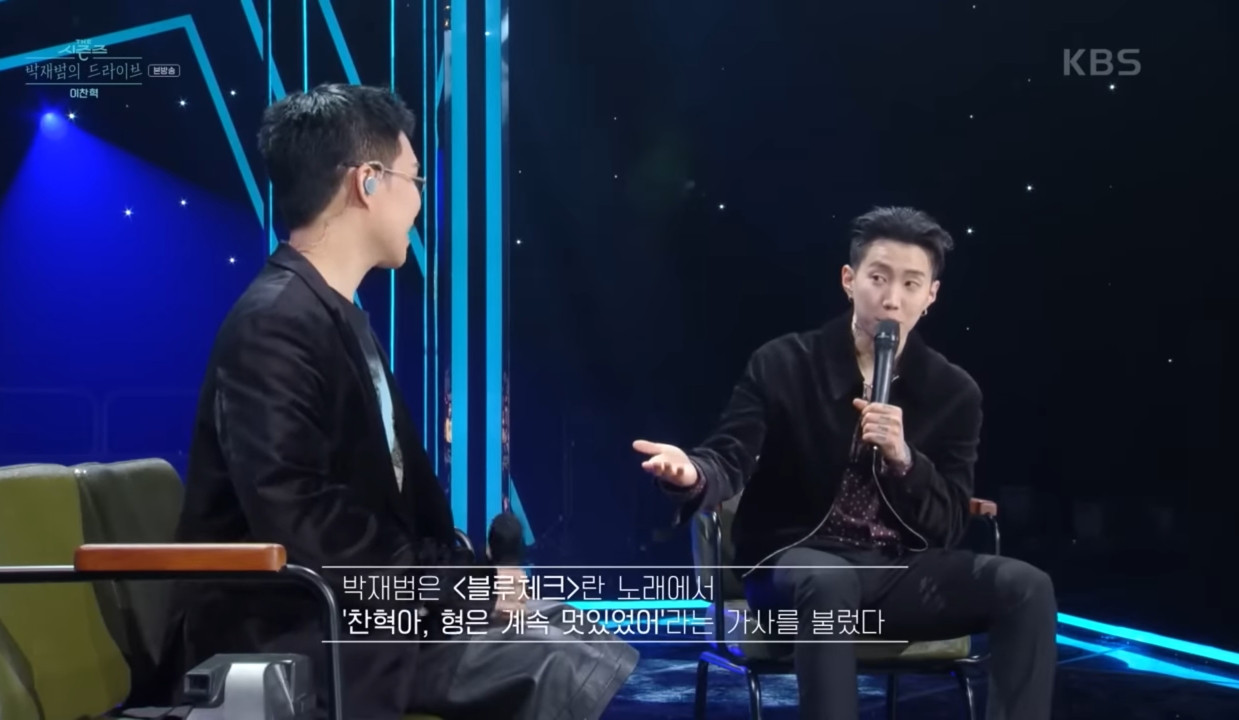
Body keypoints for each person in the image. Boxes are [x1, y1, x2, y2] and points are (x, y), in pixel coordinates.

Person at [154, 84, 637, 720]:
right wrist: (460, 588)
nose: (418, 201)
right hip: (288, 626)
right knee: (558, 659)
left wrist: (471, 578)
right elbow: (306, 524)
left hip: (358, 611)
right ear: (368, 182)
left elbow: (381, 516)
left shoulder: (335, 316)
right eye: (415, 180)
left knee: (570, 628)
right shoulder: (274, 324)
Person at [633, 206, 1056, 720]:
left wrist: (905, 459)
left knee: (1027, 587)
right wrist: (692, 474)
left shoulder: (953, 392)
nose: (892, 298)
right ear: (849, 280)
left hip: (896, 574)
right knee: (828, 579)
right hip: (794, 567)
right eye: (878, 278)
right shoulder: (784, 363)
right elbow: (731, 454)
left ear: (931, 296)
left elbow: (947, 523)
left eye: (910, 283)